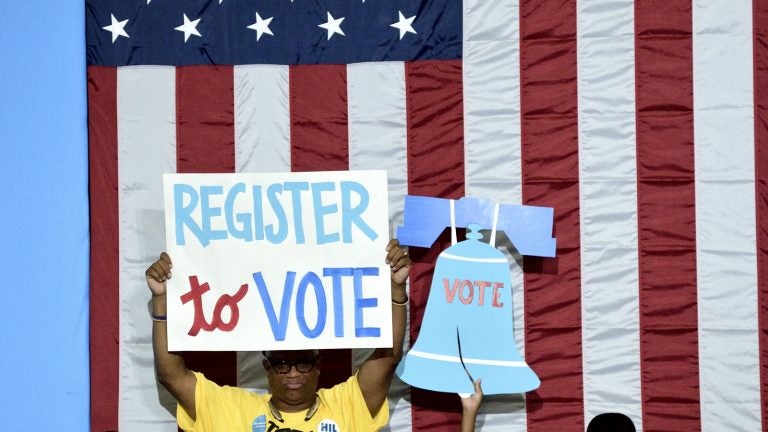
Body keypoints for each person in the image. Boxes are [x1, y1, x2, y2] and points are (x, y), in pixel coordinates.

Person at [145, 239, 410, 432]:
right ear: (266, 367)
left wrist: (396, 289)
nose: (294, 374)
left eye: (303, 362)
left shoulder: (347, 405)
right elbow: (172, 375)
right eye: (282, 364)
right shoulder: (232, 409)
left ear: (318, 366)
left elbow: (387, 360)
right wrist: (162, 298)